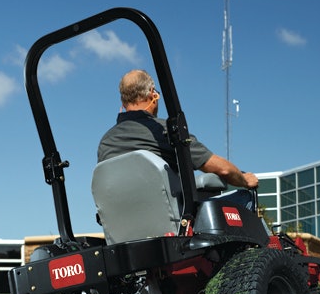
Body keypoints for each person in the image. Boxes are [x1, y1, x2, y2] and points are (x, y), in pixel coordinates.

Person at [98, 70, 259, 205]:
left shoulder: (106, 142)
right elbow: (222, 168)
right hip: (172, 230)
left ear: (123, 101)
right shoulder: (164, 131)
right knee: (246, 199)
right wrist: (244, 180)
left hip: (124, 235)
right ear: (152, 94)